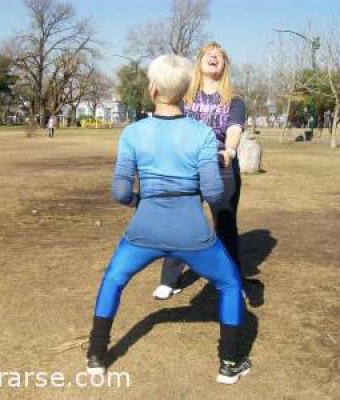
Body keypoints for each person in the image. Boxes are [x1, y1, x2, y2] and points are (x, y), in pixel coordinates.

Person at [86, 54, 251, 384]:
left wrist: (140, 201)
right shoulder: (203, 135)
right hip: (192, 231)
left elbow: (120, 193)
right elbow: (216, 195)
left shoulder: (132, 133)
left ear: (152, 89)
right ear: (188, 87)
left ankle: (96, 355)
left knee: (114, 279)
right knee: (230, 283)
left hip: (143, 230)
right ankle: (230, 363)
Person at [153, 42, 246, 301]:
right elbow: (172, 127)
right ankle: (170, 280)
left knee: (225, 224)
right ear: (200, 61)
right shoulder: (185, 96)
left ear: (224, 65)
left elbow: (235, 129)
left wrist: (229, 152)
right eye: (209, 54)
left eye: (220, 55)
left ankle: (231, 281)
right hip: (188, 167)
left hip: (222, 165)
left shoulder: (234, 99)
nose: (215, 57)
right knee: (182, 222)